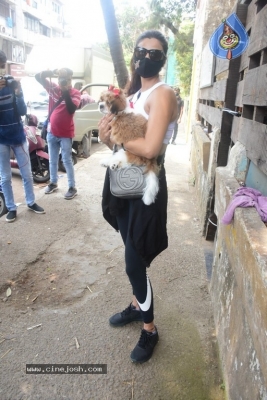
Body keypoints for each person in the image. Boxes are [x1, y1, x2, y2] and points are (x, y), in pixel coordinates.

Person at [98, 30, 178, 363]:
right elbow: (117, 140)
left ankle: (149, 329)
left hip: (146, 185)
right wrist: (107, 139)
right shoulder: (131, 94)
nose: (147, 56)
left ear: (163, 59)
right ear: (135, 54)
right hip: (122, 182)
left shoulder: (163, 94)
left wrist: (116, 141)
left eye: (155, 53)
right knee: (130, 248)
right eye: (142, 50)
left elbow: (149, 147)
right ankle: (136, 302)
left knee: (134, 261)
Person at [0, 50, 45, 223]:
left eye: (1, 67)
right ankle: (11, 208)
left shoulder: (12, 83)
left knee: (27, 173)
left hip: (18, 136)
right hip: (1, 139)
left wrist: (18, 92)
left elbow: (22, 111)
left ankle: (31, 202)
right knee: (5, 177)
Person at [35, 68, 81, 200]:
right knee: (52, 160)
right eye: (62, 79)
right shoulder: (54, 88)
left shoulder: (75, 93)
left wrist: (66, 91)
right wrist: (50, 72)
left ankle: (72, 187)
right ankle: (53, 182)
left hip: (66, 134)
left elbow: (71, 109)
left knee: (66, 160)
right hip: (52, 133)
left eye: (67, 79)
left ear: (71, 79)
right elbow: (38, 77)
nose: (64, 81)